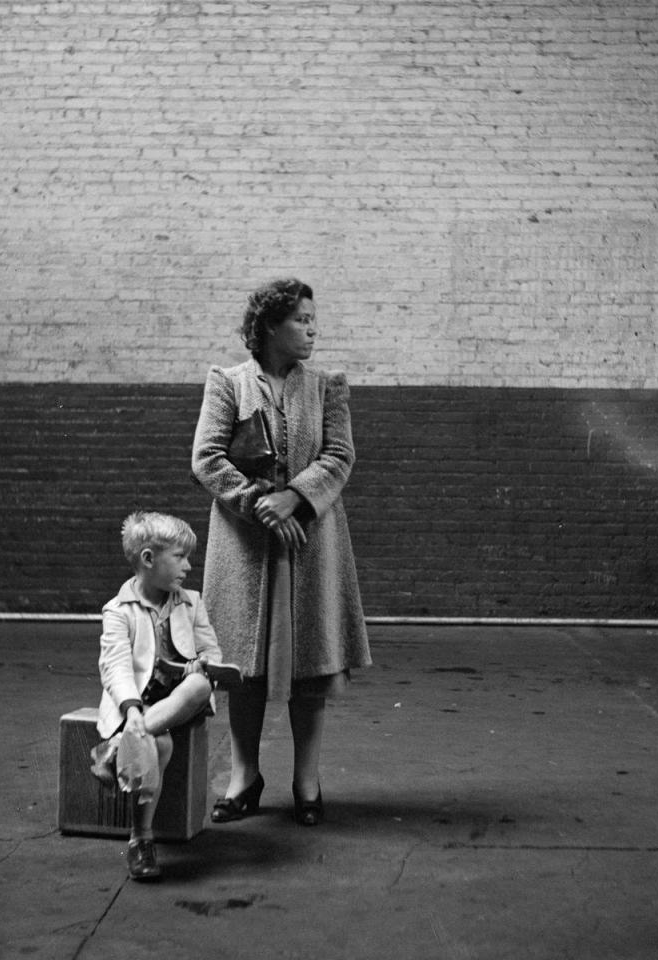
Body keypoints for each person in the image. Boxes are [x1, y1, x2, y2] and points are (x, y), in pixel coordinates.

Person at [191, 278, 372, 827]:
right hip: (245, 545)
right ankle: (244, 777)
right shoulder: (227, 383)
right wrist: (257, 504)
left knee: (310, 663)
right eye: (301, 320)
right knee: (241, 663)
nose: (313, 329)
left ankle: (306, 780)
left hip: (311, 541)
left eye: (315, 320)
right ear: (269, 325)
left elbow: (340, 455)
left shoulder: (327, 386)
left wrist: (294, 499)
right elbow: (207, 457)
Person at [91, 511, 235, 881]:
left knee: (201, 686)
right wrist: (132, 709)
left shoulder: (191, 603)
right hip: (138, 703)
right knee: (160, 746)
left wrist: (204, 664)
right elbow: (116, 666)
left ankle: (115, 747)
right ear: (148, 559)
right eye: (179, 557)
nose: (188, 567)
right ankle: (141, 839)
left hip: (180, 700)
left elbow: (211, 651)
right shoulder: (118, 610)